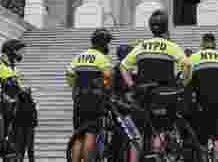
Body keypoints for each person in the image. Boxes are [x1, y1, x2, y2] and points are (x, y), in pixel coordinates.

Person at [120, 10, 189, 162]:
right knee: (161, 129)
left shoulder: (141, 46)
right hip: (165, 94)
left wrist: (132, 85)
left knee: (136, 135)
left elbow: (123, 66)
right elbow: (187, 65)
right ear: (165, 27)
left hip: (142, 95)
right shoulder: (172, 46)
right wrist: (182, 82)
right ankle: (158, 155)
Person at [184, 34, 218, 162]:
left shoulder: (194, 58)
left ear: (202, 44)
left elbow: (185, 81)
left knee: (202, 139)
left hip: (202, 104)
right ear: (214, 44)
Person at [67, 28, 115, 162]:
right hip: (95, 101)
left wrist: (75, 87)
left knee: (78, 135)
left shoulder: (79, 56)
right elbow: (109, 78)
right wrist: (106, 89)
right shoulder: (102, 59)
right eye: (107, 44)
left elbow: (70, 74)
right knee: (90, 133)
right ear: (104, 44)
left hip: (79, 100)